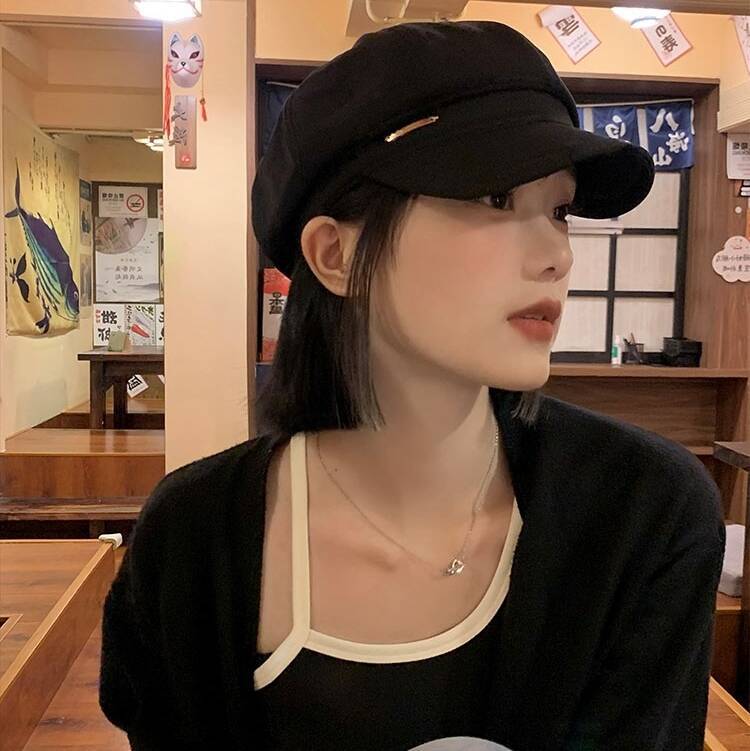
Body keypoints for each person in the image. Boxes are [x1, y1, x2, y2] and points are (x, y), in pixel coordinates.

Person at [98, 20, 726, 751]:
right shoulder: (193, 539)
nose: (557, 255)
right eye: (494, 197)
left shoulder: (642, 513)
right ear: (335, 255)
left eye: (559, 210)